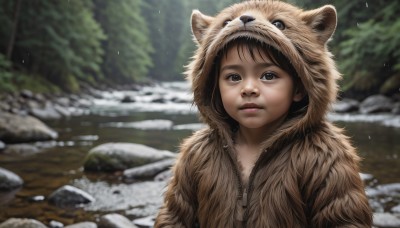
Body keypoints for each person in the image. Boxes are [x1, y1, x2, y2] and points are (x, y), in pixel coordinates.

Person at [155, 1, 373, 227]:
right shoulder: (198, 153)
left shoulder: (325, 155)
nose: (248, 88)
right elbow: (174, 219)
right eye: (234, 77)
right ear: (214, 87)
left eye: (268, 76)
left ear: (299, 87)